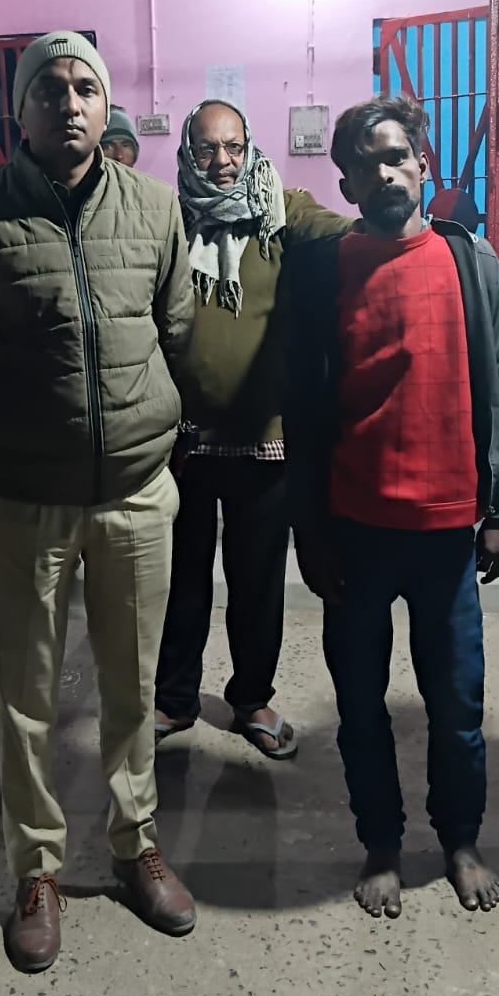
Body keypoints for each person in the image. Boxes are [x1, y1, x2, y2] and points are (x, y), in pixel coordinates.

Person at [0, 31, 196, 974]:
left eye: (85, 87)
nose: (69, 103)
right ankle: (36, 869)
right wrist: (15, 430)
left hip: (136, 492)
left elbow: (176, 327)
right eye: (49, 88)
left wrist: (147, 426)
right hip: (28, 496)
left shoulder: (155, 209)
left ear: (104, 104)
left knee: (133, 686)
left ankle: (135, 843)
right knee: (29, 696)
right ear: (21, 110)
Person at [286, 95, 499, 918]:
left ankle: (460, 840)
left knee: (457, 708)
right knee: (360, 707)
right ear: (347, 184)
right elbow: (302, 403)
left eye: (397, 156)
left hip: (448, 534)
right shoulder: (323, 271)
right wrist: (309, 530)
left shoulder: (470, 260)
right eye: (366, 163)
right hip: (354, 529)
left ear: (423, 164)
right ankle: (382, 844)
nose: (385, 172)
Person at [154, 100, 350, 759]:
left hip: (265, 438)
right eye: (207, 149)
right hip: (182, 443)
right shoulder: (168, 219)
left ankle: (251, 699)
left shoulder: (282, 210)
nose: (223, 162)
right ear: (188, 154)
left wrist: (399, 229)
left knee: (258, 581)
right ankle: (174, 699)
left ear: (250, 147)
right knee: (181, 581)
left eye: (233, 146)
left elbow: (343, 234)